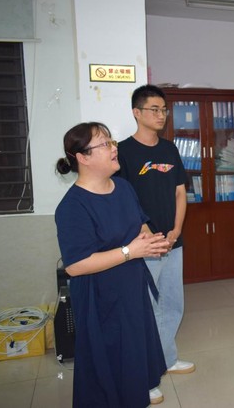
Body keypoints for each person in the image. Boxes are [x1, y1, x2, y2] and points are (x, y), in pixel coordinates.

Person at [55, 122, 170, 407]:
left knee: (133, 358)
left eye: (111, 141)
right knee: (108, 366)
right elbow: (76, 265)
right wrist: (131, 251)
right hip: (100, 298)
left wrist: (150, 240)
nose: (113, 148)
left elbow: (139, 223)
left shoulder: (123, 188)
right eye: (105, 144)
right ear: (82, 157)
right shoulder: (72, 207)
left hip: (131, 290)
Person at [116, 84, 195, 374]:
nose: (161, 115)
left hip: (172, 241)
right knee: (146, 308)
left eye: (164, 110)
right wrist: (146, 230)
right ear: (137, 113)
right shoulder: (122, 152)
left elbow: (180, 192)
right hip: (144, 244)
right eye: (154, 109)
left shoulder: (169, 149)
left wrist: (176, 230)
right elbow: (122, 198)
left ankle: (167, 359)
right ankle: (145, 370)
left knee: (173, 303)